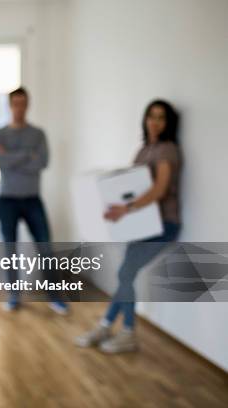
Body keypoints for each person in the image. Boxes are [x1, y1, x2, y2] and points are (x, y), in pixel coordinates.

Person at [75, 100, 181, 353]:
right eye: (151, 117)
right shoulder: (144, 151)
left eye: (161, 118)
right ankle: (107, 325)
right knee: (126, 275)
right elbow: (130, 185)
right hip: (141, 225)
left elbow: (159, 190)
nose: (155, 122)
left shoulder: (167, 150)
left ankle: (127, 332)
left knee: (124, 274)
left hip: (164, 225)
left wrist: (126, 209)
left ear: (168, 123)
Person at [0, 87, 68, 314]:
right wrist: (28, 154)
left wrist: (13, 156)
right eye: (15, 103)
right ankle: (14, 295)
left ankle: (55, 296)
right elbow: (1, 161)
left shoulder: (38, 134)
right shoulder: (0, 134)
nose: (19, 108)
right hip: (6, 200)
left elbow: (41, 163)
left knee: (45, 247)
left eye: (23, 103)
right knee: (10, 250)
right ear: (10, 105)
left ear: (28, 105)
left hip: (33, 199)